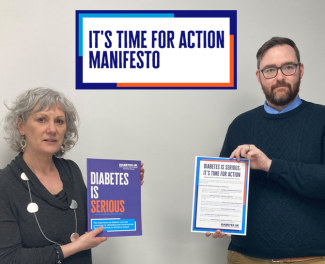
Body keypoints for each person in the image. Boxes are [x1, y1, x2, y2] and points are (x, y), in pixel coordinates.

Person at [206, 37, 325, 263]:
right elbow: (222, 187)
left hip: (312, 259)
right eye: (270, 69)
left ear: (300, 70)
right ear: (259, 76)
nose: (279, 76)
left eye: (288, 67)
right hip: (244, 257)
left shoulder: (322, 119)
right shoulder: (240, 125)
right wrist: (218, 218)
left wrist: (270, 165)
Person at [0, 87, 145, 264]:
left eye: (59, 121)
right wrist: (75, 247)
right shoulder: (4, 184)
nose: (52, 129)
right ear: (21, 126)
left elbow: (96, 218)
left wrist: (125, 188)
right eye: (41, 119)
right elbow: (8, 258)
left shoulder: (71, 171)